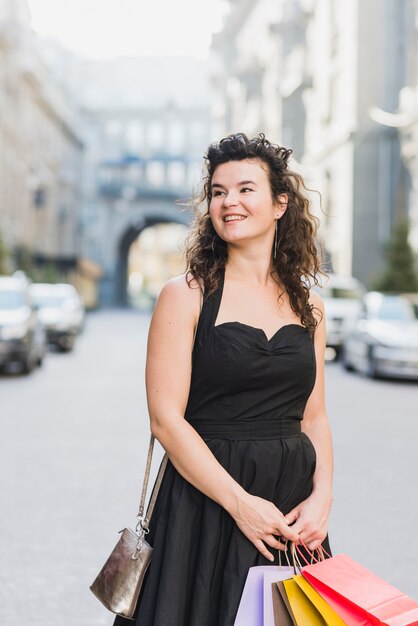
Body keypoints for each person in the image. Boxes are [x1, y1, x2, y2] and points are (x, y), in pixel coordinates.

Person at [114, 132, 333, 626]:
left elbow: (314, 415)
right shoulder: (186, 294)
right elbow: (166, 421)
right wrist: (241, 505)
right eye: (218, 191)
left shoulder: (311, 306)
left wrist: (322, 499)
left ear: (281, 204)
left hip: (289, 509)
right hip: (205, 503)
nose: (229, 201)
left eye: (245, 189)